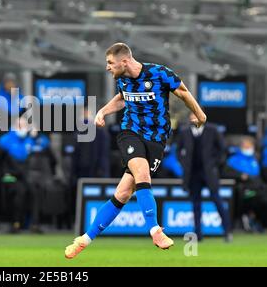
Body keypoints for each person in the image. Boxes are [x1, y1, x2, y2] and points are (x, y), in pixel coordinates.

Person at [65, 42, 207, 258]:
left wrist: (200, 114)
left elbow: (183, 91)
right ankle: (155, 230)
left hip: (157, 139)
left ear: (124, 61)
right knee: (142, 174)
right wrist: (103, 111)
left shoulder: (159, 74)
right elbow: (122, 98)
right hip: (130, 133)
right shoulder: (122, 78)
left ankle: (85, 238)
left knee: (122, 193)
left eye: (110, 63)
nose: (107, 67)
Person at [176, 113, 232, 242]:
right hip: (193, 174)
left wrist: (214, 164)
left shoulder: (212, 130)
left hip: (209, 173)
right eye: (191, 116)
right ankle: (198, 234)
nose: (193, 118)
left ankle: (227, 232)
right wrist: (184, 163)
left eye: (196, 115)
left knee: (217, 201)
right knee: (196, 204)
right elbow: (178, 150)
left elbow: (222, 150)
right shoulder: (184, 132)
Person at [0, 116, 33, 233]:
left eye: (25, 126)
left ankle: (30, 224)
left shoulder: (29, 141)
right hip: (9, 177)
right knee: (18, 192)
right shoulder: (4, 141)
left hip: (24, 177)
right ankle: (15, 223)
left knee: (33, 191)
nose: (22, 128)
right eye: (20, 125)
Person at [224, 137, 267, 232]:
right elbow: (226, 172)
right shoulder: (233, 159)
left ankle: (260, 223)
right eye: (246, 146)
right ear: (241, 146)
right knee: (259, 198)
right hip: (245, 192)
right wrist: (240, 175)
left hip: (258, 190)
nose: (249, 148)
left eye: (250, 146)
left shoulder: (254, 160)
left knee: (263, 196)